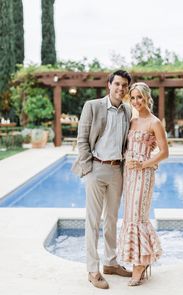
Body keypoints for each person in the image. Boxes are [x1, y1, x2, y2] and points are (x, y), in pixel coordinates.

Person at [72, 70, 133, 289]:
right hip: (96, 169)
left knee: (111, 220)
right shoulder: (92, 106)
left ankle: (111, 262)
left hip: (117, 170)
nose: (120, 88)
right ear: (109, 85)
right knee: (93, 221)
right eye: (117, 84)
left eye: (124, 85)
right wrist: (88, 169)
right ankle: (92, 269)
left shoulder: (127, 110)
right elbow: (82, 140)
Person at [118, 82, 169, 286]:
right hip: (129, 174)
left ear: (147, 97)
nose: (136, 101)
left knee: (138, 216)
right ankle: (138, 260)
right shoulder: (132, 120)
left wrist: (143, 163)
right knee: (130, 215)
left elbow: (165, 152)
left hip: (144, 173)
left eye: (140, 97)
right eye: (133, 98)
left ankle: (140, 265)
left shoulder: (154, 122)